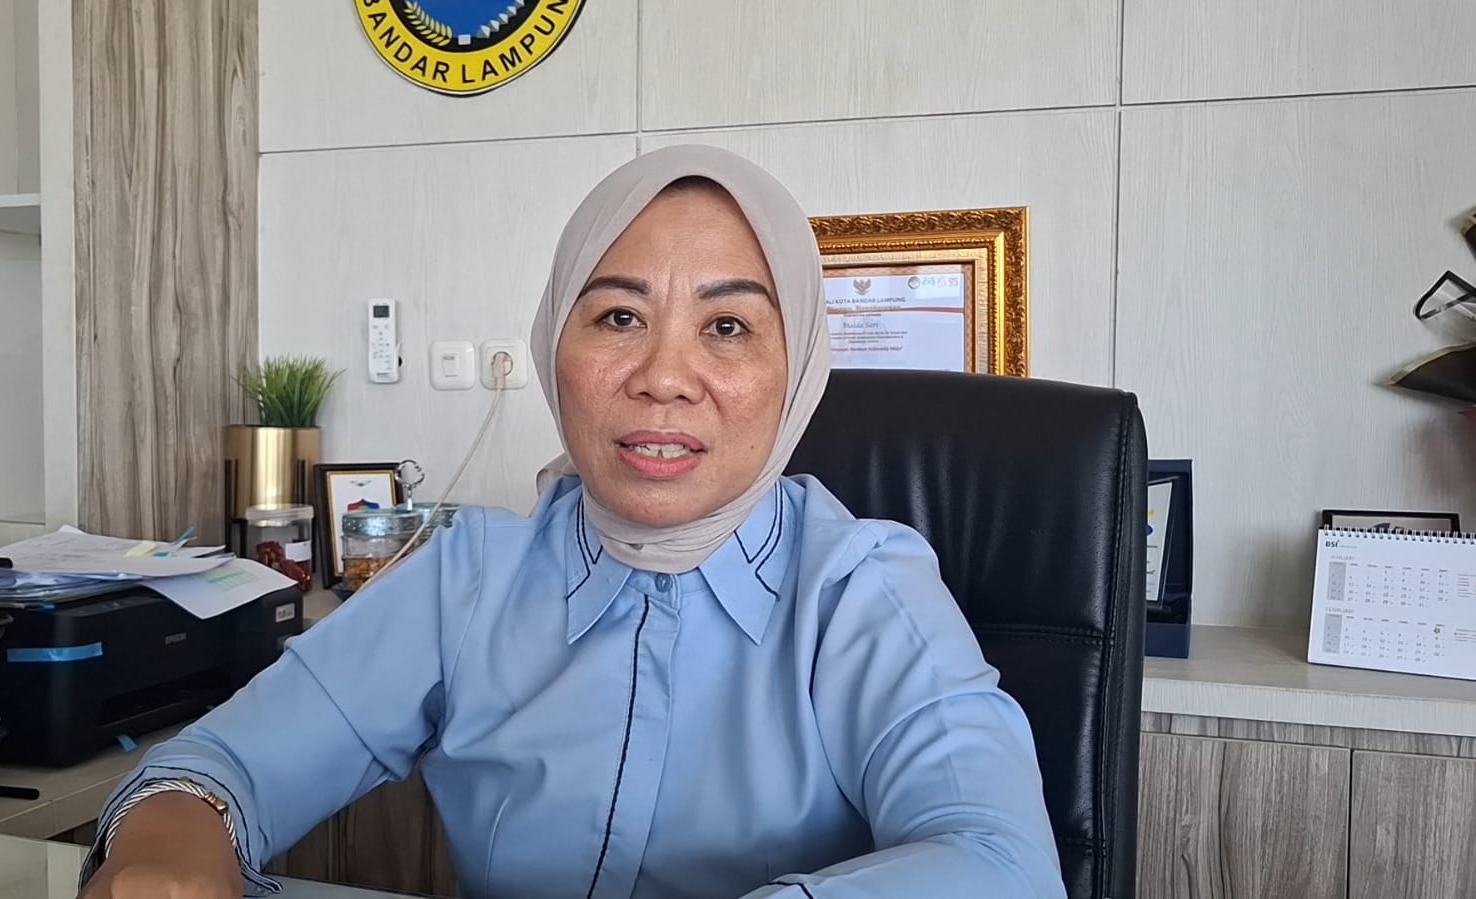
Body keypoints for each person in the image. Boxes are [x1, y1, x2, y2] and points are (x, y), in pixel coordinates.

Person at [78, 145, 1063, 899]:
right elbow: (220, 768)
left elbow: (1001, 860)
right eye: (619, 317)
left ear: (796, 369)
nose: (664, 377)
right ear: (557, 344)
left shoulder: (862, 589)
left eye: (727, 326)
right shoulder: (470, 580)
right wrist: (172, 842)